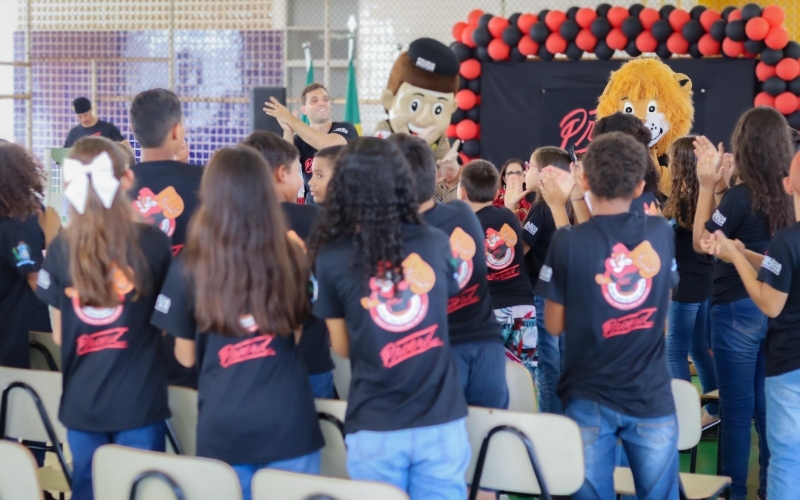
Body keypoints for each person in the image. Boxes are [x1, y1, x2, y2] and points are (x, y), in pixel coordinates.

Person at [151, 145, 323, 500]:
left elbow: (184, 358)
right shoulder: (291, 253)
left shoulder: (191, 265)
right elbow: (296, 330)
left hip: (223, 426)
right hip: (289, 422)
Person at [309, 137, 470, 499]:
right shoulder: (434, 242)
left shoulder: (332, 258)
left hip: (375, 425)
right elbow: (443, 307)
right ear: (402, 182)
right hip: (440, 420)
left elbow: (342, 347)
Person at [538, 132, 678, 499]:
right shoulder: (660, 232)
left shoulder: (568, 241)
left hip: (588, 396)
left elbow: (553, 324)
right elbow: (664, 300)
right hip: (651, 395)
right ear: (640, 187)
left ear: (583, 181)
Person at [36, 137, 172, 500]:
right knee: (142, 491)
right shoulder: (153, 243)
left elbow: (62, 336)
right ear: (127, 180)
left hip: (82, 402)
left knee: (87, 489)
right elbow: (165, 327)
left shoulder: (63, 247)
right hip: (139, 400)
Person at [692, 107, 795, 500]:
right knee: (769, 411)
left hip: (736, 307)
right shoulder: (787, 195)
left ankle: (731, 493)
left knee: (735, 413)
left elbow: (705, 243)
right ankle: (773, 490)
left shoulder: (741, 196)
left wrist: (705, 187)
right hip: (777, 307)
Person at [388, 133, 508, 409]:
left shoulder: (401, 235)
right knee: (493, 437)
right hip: (486, 344)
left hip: (438, 350)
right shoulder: (462, 214)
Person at [241, 131, 335, 398]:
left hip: (240, 364)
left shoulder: (226, 223)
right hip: (308, 359)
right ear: (281, 174)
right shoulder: (318, 220)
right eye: (298, 172)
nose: (301, 181)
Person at [129, 88, 202, 388]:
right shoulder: (206, 182)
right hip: (191, 330)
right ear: (177, 131)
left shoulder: (114, 188)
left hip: (126, 330)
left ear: (135, 132)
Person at [460, 160, 537, 385]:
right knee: (527, 379)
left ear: (462, 191)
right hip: (523, 306)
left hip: (488, 311)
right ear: (496, 192)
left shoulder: (464, 225)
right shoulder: (508, 216)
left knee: (489, 378)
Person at [661, 136, 719, 426]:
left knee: (675, 350)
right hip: (703, 283)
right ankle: (715, 409)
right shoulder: (706, 196)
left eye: (671, 160)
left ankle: (683, 420)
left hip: (686, 288)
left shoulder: (687, 199)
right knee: (697, 348)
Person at [518, 146, 573, 414]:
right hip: (563, 297)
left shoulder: (541, 209)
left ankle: (550, 430)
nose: (525, 170)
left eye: (529, 165)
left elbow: (517, 252)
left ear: (545, 173)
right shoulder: (571, 207)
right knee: (560, 366)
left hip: (543, 298)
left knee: (547, 369)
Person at [0, 142, 54, 368]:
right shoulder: (13, 228)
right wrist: (51, 237)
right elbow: (41, 286)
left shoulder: (23, 217)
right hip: (21, 335)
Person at [263, 84, 358, 204]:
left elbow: (328, 145)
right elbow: (286, 165)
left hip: (343, 206)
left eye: (325, 99)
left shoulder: (346, 128)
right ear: (303, 109)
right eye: (314, 100)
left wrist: (290, 119)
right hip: (312, 208)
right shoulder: (298, 140)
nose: (321, 103)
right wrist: (288, 130)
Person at [64, 97, 129, 148]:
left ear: (91, 110)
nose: (83, 119)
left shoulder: (108, 128)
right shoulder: (73, 133)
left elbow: (126, 146)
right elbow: (64, 156)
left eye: (86, 115)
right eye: (80, 117)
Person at [494, 158, 532, 222]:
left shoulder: (532, 201)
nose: (514, 176)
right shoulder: (495, 198)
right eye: (510, 173)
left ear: (524, 176)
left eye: (518, 173)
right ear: (504, 179)